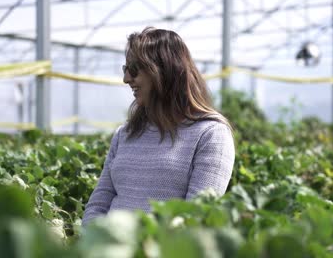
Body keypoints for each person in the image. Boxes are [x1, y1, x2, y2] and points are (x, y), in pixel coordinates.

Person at [82, 27, 235, 225]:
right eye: (125, 69)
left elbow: (195, 220)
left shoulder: (210, 134)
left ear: (163, 70)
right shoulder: (125, 133)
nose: (126, 78)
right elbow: (98, 204)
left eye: (134, 69)